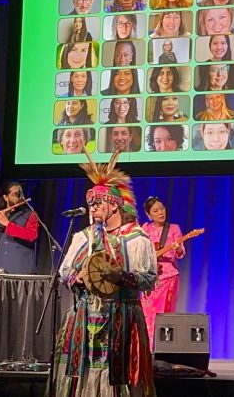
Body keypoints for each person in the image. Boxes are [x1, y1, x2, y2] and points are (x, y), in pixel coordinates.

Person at [52, 152, 156, 396]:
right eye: (91, 203)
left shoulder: (137, 239)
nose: (94, 207)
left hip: (121, 317)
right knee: (84, 370)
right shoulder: (83, 238)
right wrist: (74, 278)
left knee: (117, 373)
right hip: (86, 315)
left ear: (114, 204)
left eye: (99, 202)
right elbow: (64, 272)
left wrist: (121, 277)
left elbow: (149, 278)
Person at [140, 196, 186, 347]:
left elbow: (180, 253)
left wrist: (177, 246)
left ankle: (163, 347)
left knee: (164, 313)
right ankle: (146, 347)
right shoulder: (144, 228)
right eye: (155, 210)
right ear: (149, 215)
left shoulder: (173, 228)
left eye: (162, 208)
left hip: (169, 276)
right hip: (150, 277)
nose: (160, 212)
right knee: (147, 313)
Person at [0, 182, 39, 275]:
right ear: (6, 197)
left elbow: (31, 235)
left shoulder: (31, 215)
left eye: (21, 194)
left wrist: (8, 224)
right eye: (15, 194)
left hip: (21, 271)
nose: (19, 197)